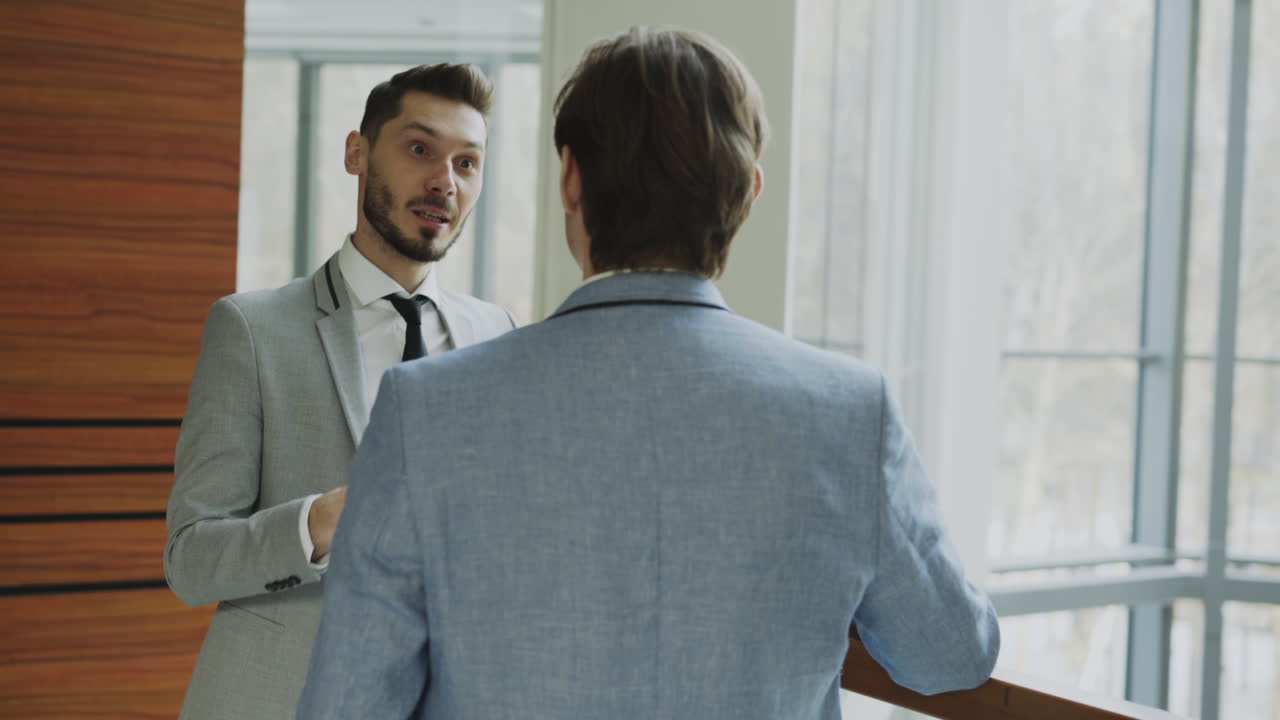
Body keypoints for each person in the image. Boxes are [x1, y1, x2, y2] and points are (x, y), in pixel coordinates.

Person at [298, 27, 999, 720]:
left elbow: (347, 704)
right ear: (749, 192)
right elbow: (949, 656)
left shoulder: (425, 410)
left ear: (571, 177)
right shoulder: (851, 411)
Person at [164, 63, 517, 720]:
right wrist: (320, 522)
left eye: (467, 163)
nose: (444, 181)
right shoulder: (251, 329)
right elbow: (191, 558)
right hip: (278, 699)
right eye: (420, 149)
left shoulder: (498, 334)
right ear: (357, 151)